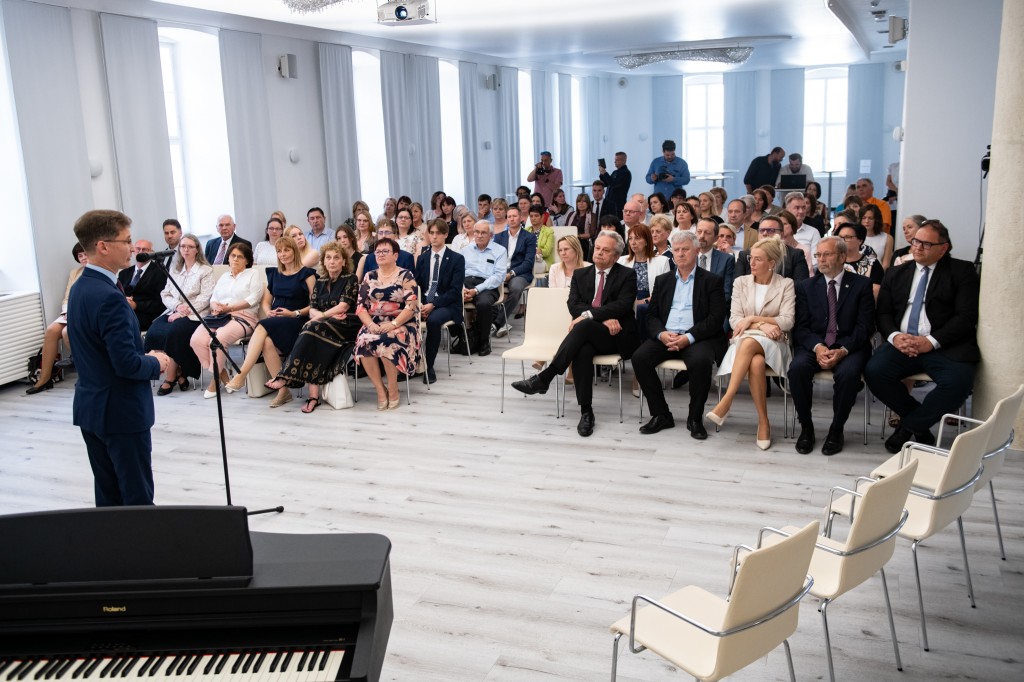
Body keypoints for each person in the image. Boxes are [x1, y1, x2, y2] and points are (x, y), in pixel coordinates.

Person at [68, 209, 170, 506]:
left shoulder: (81, 287)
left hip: (91, 408)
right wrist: (157, 362)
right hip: (120, 411)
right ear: (103, 246)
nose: (132, 248)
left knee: (108, 498)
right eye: (126, 241)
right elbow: (126, 364)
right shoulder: (110, 297)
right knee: (137, 499)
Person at [865, 220, 980, 453]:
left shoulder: (962, 271)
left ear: (943, 248)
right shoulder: (896, 273)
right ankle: (920, 425)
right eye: (916, 241)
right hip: (903, 343)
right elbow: (883, 313)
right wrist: (895, 336)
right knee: (874, 371)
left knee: (958, 382)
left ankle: (909, 427)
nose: (917, 247)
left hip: (944, 345)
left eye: (926, 244)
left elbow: (966, 317)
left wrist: (931, 342)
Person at [511, 232, 640, 438]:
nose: (599, 253)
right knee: (582, 349)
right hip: (590, 334)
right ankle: (586, 412)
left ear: (616, 256)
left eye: (606, 250)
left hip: (617, 336)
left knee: (583, 326)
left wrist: (590, 315)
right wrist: (601, 318)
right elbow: (573, 305)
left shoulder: (627, 275)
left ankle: (546, 376)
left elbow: (623, 306)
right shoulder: (581, 275)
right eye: (598, 248)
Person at [632, 231, 728, 438]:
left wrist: (688, 337)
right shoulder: (663, 280)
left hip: (698, 337)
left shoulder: (712, 281)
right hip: (667, 335)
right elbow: (652, 315)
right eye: (676, 250)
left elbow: (715, 318)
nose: (680, 254)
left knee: (701, 362)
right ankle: (661, 414)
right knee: (639, 358)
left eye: (685, 249)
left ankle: (695, 418)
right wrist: (661, 334)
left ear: (697, 251)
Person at [788, 237, 876, 456]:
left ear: (842, 257)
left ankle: (836, 429)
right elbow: (801, 327)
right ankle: (806, 427)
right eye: (818, 255)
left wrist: (843, 349)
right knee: (797, 369)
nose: (821, 259)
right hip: (815, 344)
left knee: (848, 375)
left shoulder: (861, 285)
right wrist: (818, 347)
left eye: (827, 254)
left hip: (850, 345)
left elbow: (865, 327)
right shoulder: (806, 286)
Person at [707, 237, 796, 450]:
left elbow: (787, 321)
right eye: (750, 258)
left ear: (772, 263)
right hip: (746, 340)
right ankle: (764, 422)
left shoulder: (786, 284)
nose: (752, 263)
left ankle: (727, 399)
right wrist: (761, 325)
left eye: (758, 259)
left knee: (748, 343)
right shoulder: (741, 282)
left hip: (775, 343)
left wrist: (753, 319)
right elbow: (735, 320)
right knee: (755, 361)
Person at [266, 242, 360, 413]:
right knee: (312, 334)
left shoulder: (350, 279)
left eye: (336, 258)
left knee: (311, 329)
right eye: (328, 258)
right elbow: (312, 308)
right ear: (323, 262)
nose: (332, 261)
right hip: (322, 324)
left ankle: (287, 376)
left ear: (344, 261)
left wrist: (322, 315)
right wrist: (321, 316)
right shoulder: (320, 281)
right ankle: (312, 397)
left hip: (346, 324)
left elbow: (343, 307)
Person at [223, 237, 317, 407]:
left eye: (287, 250)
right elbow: (266, 302)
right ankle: (283, 392)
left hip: (296, 321)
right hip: (276, 320)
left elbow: (315, 305)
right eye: (279, 251)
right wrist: (268, 312)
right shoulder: (274, 274)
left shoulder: (307, 274)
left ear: (294, 251)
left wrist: (293, 313)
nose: (283, 254)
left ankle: (242, 374)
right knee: (266, 342)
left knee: (262, 325)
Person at [354, 237, 421, 410]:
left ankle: (393, 387)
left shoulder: (406, 275)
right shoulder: (369, 276)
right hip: (375, 323)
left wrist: (394, 324)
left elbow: (412, 306)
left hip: (402, 323)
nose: (381, 254)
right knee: (364, 341)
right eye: (378, 251)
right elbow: (360, 307)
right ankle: (380, 389)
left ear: (395, 255)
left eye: (385, 251)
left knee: (387, 340)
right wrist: (370, 325)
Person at [189, 242, 263, 398]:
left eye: (240, 257)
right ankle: (222, 374)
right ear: (228, 258)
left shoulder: (253, 274)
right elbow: (213, 298)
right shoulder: (224, 276)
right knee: (196, 340)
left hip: (243, 317)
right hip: (219, 316)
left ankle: (215, 381)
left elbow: (254, 298)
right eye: (232, 256)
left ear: (247, 260)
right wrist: (215, 306)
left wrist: (230, 308)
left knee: (217, 340)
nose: (235, 259)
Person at [145, 234, 215, 395]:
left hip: (196, 314)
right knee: (153, 332)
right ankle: (179, 373)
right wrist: (177, 306)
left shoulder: (205, 270)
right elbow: (165, 293)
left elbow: (205, 298)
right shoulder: (175, 269)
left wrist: (184, 312)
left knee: (175, 332)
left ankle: (170, 378)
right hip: (174, 310)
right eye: (183, 246)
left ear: (197, 249)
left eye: (190, 246)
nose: (186, 250)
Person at [27, 244, 89, 394]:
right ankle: (45, 378)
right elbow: (67, 297)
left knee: (67, 332)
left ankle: (86, 375)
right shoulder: (75, 273)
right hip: (70, 313)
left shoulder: (102, 270)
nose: (83, 258)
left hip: (86, 313)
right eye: (80, 256)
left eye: (85, 254)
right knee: (51, 330)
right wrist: (67, 311)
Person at [415, 219, 466, 384]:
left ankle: (428, 366)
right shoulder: (422, 258)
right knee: (405, 317)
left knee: (433, 321)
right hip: (424, 302)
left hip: (447, 304)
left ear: (445, 234)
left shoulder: (457, 259)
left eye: (438, 233)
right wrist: (420, 303)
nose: (434, 236)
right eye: (431, 233)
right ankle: (410, 363)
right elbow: (417, 285)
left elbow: (455, 290)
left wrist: (433, 304)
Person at [460, 220, 507, 356]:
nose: (479, 235)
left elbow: (498, 277)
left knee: (484, 303)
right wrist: (462, 289)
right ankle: (462, 337)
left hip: (487, 285)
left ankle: (483, 341)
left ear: (490, 235)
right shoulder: (465, 250)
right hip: (466, 283)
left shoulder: (500, 251)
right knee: (450, 298)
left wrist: (476, 290)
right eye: (477, 232)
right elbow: (458, 272)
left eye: (483, 233)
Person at [493, 206, 537, 336]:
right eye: (509, 216)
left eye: (514, 216)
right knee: (485, 288)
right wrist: (500, 273)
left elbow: (528, 262)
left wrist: (511, 273)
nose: (512, 219)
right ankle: (500, 323)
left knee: (516, 288)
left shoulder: (529, 237)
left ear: (521, 218)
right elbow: (494, 258)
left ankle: (497, 323)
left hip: (520, 273)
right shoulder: (499, 237)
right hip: (501, 271)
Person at [732, 217, 810, 284]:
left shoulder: (795, 255)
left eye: (770, 230)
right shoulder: (745, 255)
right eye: (762, 230)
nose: (765, 233)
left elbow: (800, 285)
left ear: (781, 234)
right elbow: (737, 284)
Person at [118, 239, 168, 332]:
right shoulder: (124, 273)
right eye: (138, 249)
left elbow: (161, 302)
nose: (140, 252)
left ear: (151, 252)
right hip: (124, 310)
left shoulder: (160, 273)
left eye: (145, 249)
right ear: (133, 251)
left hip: (146, 316)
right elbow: (118, 293)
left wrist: (136, 305)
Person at [836, 222, 885, 298]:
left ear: (860, 241)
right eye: (840, 237)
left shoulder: (872, 263)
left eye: (847, 237)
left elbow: (876, 290)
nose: (842, 240)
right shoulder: (833, 261)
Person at [776, 209, 813, 274]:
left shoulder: (803, 250)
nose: (780, 227)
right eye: (778, 225)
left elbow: (808, 275)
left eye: (784, 224)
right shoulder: (773, 248)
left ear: (792, 226)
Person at [860, 203, 894, 268]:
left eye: (870, 218)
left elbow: (886, 264)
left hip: (878, 273)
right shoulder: (855, 237)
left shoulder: (888, 238)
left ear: (876, 220)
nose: (867, 221)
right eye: (864, 218)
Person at [564, 193, 596, 260]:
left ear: (588, 203)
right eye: (579, 201)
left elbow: (592, 234)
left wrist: (578, 236)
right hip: (570, 241)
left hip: (584, 242)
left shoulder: (592, 216)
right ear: (576, 203)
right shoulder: (571, 214)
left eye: (584, 201)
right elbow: (566, 229)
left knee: (580, 242)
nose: (581, 203)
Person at [599, 151, 632, 216]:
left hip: (618, 205)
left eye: (617, 160)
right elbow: (606, 184)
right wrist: (602, 174)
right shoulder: (615, 172)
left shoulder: (626, 173)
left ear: (623, 161)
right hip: (609, 203)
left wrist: (605, 173)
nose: (614, 162)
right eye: (615, 160)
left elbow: (614, 184)